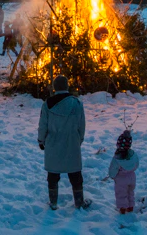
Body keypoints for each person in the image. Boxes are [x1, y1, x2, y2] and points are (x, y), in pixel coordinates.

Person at [37, 75, 91, 210]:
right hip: (72, 143)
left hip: (53, 144)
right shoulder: (77, 103)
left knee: (53, 175)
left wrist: (41, 140)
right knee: (76, 175)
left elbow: (43, 125)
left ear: (55, 87)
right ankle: (79, 202)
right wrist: (79, 140)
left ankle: (53, 202)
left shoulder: (47, 104)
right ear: (67, 86)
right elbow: (81, 126)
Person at [108, 130, 139, 214]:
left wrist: (113, 176)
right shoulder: (133, 154)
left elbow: (113, 169)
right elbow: (136, 164)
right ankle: (130, 207)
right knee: (130, 192)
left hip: (121, 179)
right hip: (132, 177)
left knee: (121, 195)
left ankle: (122, 209)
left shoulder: (117, 158)